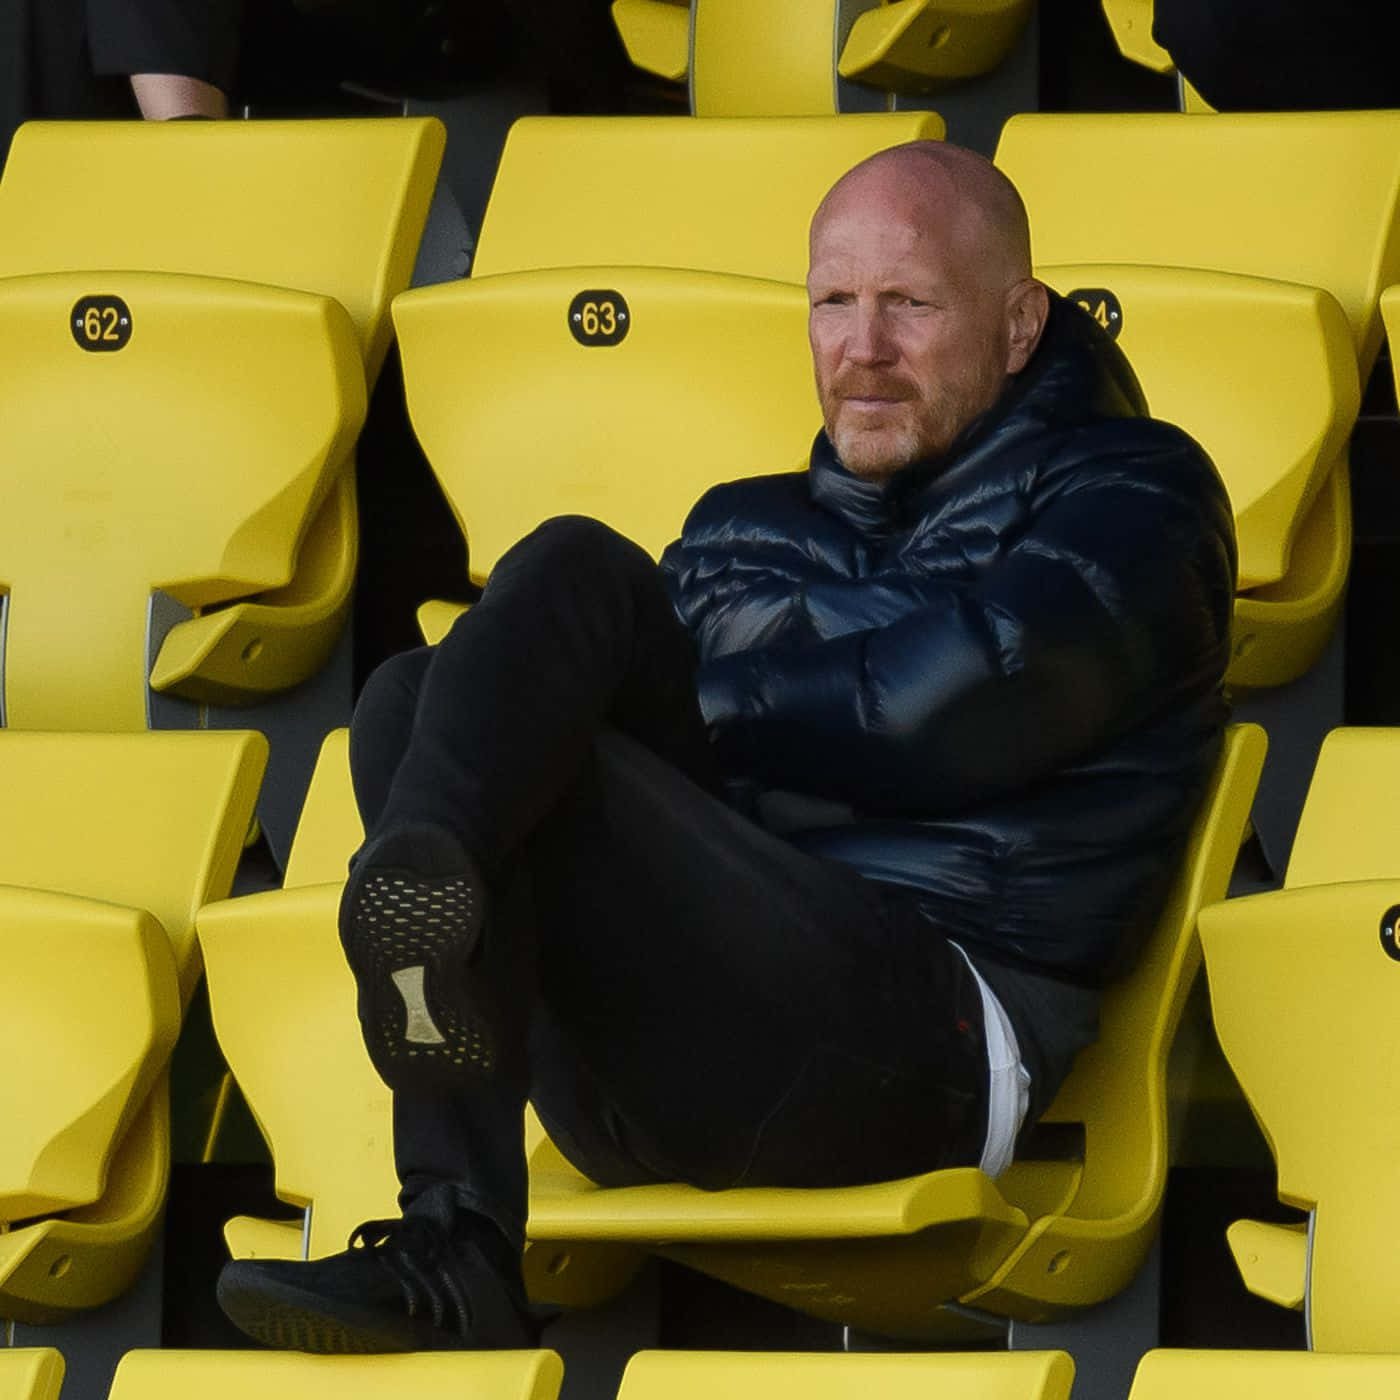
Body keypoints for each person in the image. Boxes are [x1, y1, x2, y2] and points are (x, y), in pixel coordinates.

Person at [216, 139, 1236, 1352]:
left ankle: (432, 898)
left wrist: (706, 697)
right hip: (665, 1057)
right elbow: (860, 684)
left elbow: (960, 703)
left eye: (909, 302)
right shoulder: (740, 523)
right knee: (421, 687)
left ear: (1019, 325)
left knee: (544, 630)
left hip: (925, 1051)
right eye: (830, 303)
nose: (861, 348)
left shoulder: (1138, 494)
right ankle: (454, 1200)